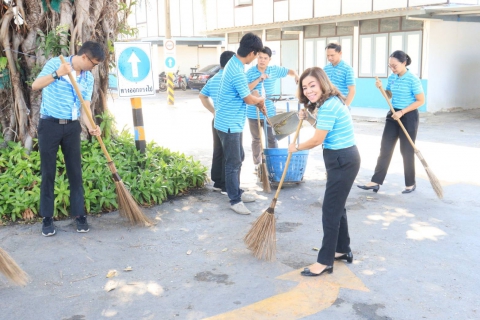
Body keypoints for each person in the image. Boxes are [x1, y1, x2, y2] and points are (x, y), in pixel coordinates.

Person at [288, 67, 360, 276]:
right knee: (338, 207)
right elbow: (323, 128)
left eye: (312, 85)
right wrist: (309, 117)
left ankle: (325, 261)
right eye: (305, 87)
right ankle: (342, 249)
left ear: (322, 83)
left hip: (342, 160)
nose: (309, 90)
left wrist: (297, 147)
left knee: (330, 210)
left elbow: (318, 139)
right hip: (343, 159)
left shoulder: (328, 106)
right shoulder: (333, 101)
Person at [32, 41, 104, 236]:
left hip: (72, 127)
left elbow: (85, 106)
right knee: (48, 172)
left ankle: (79, 215)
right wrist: (58, 74)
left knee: (75, 172)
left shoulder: (88, 78)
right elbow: (35, 85)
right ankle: (47, 218)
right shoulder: (56, 64)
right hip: (49, 125)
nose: (94, 67)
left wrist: (91, 127)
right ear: (84, 57)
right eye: (94, 63)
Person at [357, 50, 425, 194]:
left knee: (406, 150)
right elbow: (388, 95)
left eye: (395, 65)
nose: (392, 69)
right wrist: (381, 88)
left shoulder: (413, 79)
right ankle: (375, 181)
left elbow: (420, 101)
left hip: (408, 116)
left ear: (404, 63)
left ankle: (410, 183)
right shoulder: (392, 77)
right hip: (393, 114)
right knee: (385, 148)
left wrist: (402, 112)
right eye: (390, 66)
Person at [215, 32, 266, 215]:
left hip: (232, 121)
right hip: (229, 123)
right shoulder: (236, 70)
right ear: (252, 53)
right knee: (233, 162)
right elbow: (247, 98)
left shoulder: (235, 64)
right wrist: (259, 100)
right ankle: (234, 200)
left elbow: (245, 89)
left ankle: (236, 191)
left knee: (239, 157)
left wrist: (257, 97)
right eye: (257, 54)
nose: (257, 58)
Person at [246, 46, 299, 169]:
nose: (262, 60)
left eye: (265, 58)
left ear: (269, 59)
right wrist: (259, 79)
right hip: (253, 112)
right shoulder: (250, 72)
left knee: (272, 138)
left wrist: (296, 75)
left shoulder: (274, 70)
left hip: (269, 112)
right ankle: (258, 164)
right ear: (257, 57)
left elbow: (289, 71)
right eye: (260, 57)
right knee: (256, 140)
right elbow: (246, 88)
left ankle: (274, 164)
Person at [198, 50, 235, 196]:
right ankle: (227, 186)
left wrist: (213, 111)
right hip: (229, 121)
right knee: (231, 154)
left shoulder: (213, 79)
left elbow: (202, 96)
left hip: (217, 119)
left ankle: (218, 183)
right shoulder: (230, 78)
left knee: (218, 151)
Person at [323, 43, 356, 109]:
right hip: (327, 105)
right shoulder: (325, 69)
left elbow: (352, 90)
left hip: (341, 106)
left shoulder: (347, 68)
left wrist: (345, 106)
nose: (329, 58)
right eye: (328, 55)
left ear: (340, 53)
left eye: (332, 55)